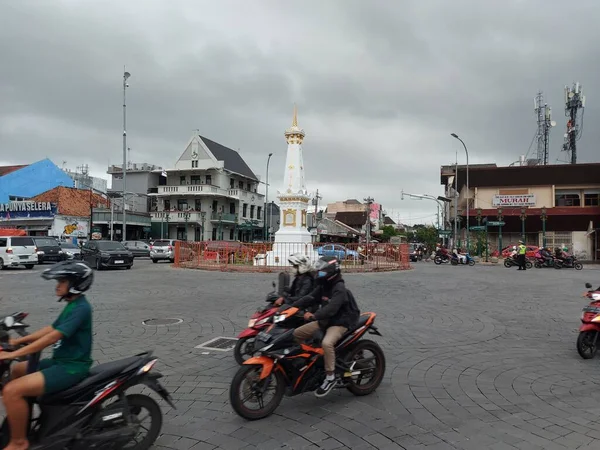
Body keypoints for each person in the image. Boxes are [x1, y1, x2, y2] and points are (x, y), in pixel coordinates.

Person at [0, 261, 94, 450]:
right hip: (59, 361)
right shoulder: (72, 304)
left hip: (71, 368)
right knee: (18, 370)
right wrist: (16, 343)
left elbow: (52, 337)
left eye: (62, 282)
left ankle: (19, 442)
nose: (57, 286)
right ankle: (24, 415)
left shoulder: (81, 308)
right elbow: (51, 328)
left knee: (11, 391)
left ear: (75, 284)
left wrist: (16, 353)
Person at [291, 256, 360, 397]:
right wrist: (292, 306)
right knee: (297, 333)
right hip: (326, 321)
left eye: (322, 271)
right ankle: (305, 362)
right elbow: (310, 297)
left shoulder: (339, 288)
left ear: (330, 272)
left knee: (326, 343)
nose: (319, 273)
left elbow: (332, 309)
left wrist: (314, 316)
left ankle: (330, 376)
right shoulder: (324, 285)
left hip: (340, 322)